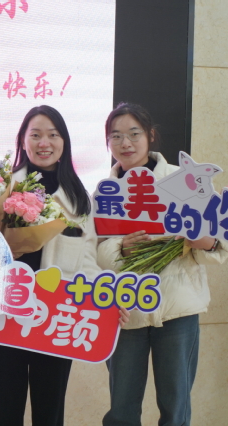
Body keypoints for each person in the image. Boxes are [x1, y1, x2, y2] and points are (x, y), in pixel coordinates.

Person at [98, 102, 227, 426]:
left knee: (175, 408)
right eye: (116, 136)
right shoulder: (104, 193)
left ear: (150, 136)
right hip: (126, 311)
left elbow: (217, 239)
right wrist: (121, 247)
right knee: (122, 409)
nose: (125, 143)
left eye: (134, 134)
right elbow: (93, 251)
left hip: (177, 311)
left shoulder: (185, 180)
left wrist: (206, 241)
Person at [0, 105, 108, 426]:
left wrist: (104, 300)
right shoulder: (2, 188)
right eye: (36, 135)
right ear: (22, 141)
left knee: (50, 410)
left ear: (64, 142)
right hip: (6, 313)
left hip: (56, 318)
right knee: (4, 409)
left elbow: (88, 259)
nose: (45, 143)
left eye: (53, 135)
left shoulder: (79, 198)